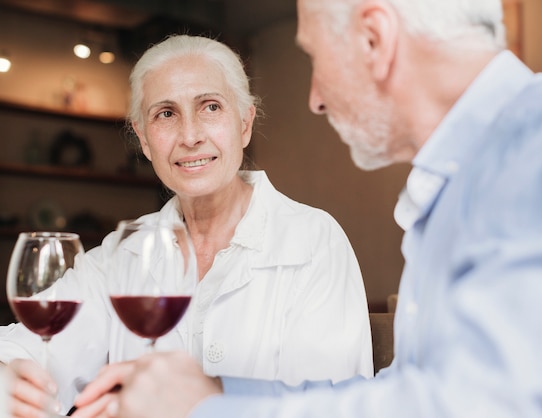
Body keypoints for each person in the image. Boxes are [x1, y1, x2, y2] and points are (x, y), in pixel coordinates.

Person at [72, 0, 542, 416]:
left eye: (314, 56)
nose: (313, 96)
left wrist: (209, 411)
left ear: (374, 39)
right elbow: (411, 394)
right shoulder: (473, 176)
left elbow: (492, 404)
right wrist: (216, 393)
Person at [0, 34, 374, 416]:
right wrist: (9, 382)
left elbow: (332, 407)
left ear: (244, 124)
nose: (190, 136)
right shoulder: (120, 252)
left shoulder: (313, 240)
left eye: (210, 107)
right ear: (144, 139)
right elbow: (22, 351)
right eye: (166, 114)